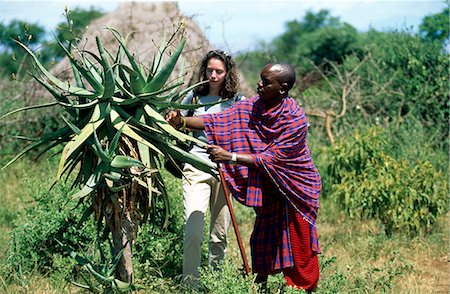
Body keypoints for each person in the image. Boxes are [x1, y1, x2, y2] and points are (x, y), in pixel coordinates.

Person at [166, 62, 321, 291]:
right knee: (263, 240)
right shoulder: (253, 107)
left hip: (295, 190)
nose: (259, 84)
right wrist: (182, 122)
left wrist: (230, 156)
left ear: (283, 88)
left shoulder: (294, 118)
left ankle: (306, 289)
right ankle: (259, 287)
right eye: (260, 78)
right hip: (270, 188)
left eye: (266, 82)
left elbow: (272, 159)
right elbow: (218, 121)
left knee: (299, 245)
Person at [175, 50, 244, 288]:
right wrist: (172, 118)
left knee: (220, 233)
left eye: (219, 71)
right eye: (209, 70)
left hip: (225, 171)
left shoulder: (236, 101)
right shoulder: (193, 97)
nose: (213, 76)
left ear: (227, 74)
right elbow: (175, 122)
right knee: (193, 228)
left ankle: (216, 282)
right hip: (196, 166)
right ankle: (190, 284)